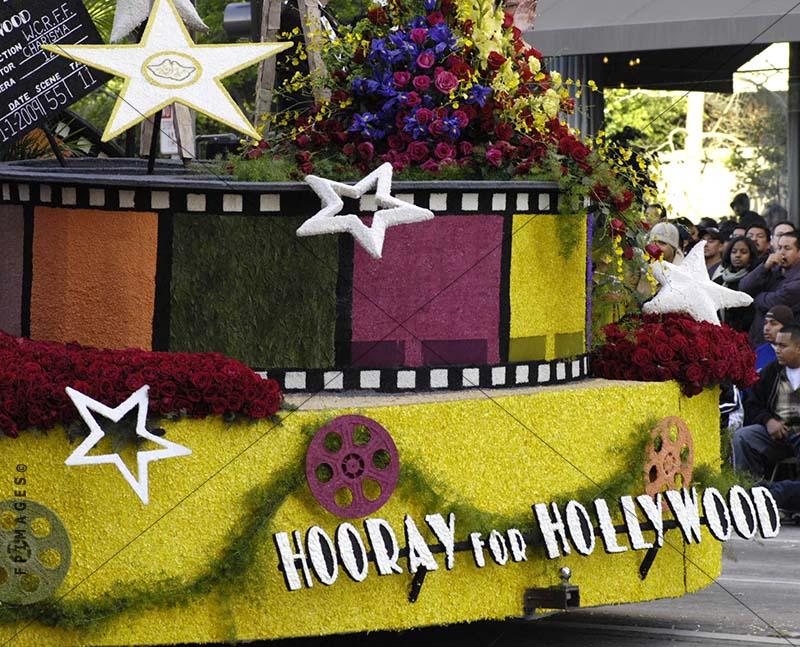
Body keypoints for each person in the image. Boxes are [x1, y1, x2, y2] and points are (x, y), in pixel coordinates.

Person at [732, 324, 800, 479]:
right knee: (743, 437)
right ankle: (750, 492)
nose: (777, 350)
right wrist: (768, 421)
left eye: (783, 346)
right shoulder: (771, 370)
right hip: (778, 437)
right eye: (776, 345)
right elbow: (752, 403)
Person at [741, 231, 800, 347]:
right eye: (779, 248)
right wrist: (765, 267)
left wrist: (754, 297)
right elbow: (744, 288)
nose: (781, 252)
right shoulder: (772, 269)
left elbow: (777, 301)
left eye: (787, 248)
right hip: (758, 341)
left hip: (785, 345)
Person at [715, 236, 758, 333]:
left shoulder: (754, 280)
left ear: (751, 255)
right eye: (734, 252)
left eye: (743, 252)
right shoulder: (719, 281)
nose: (738, 255)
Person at [755, 305, 794, 371]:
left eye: (773, 324)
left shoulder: (796, 353)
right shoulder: (757, 354)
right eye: (765, 323)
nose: (766, 328)